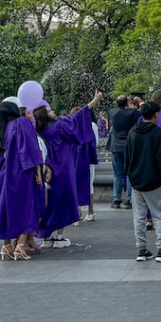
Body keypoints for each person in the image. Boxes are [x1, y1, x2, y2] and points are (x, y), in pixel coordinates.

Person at [32, 91, 102, 248]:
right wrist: (94, 100)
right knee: (63, 200)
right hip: (63, 167)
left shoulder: (39, 131)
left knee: (49, 202)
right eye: (50, 111)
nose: (53, 112)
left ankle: (46, 236)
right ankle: (59, 236)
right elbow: (77, 117)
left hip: (47, 169)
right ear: (45, 115)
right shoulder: (59, 127)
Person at [0, 100, 44, 260]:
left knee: (6, 208)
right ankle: (20, 245)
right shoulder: (21, 122)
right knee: (27, 207)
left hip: (4, 172)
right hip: (21, 171)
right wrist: (37, 170)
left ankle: (6, 246)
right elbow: (30, 148)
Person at [123, 100, 161, 262]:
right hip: (155, 180)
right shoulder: (158, 134)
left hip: (136, 181)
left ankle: (141, 249)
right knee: (160, 215)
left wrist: (130, 175)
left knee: (139, 217)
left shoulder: (132, 133)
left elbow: (127, 157)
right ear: (156, 115)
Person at [107, 95, 140, 209]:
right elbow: (142, 112)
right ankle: (129, 200)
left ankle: (116, 200)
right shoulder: (131, 113)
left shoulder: (112, 112)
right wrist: (136, 102)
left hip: (115, 146)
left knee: (117, 174)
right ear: (127, 103)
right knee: (130, 174)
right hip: (128, 146)